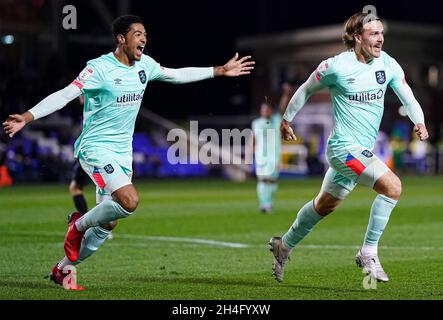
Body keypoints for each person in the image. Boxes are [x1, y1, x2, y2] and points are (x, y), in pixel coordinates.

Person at [3, 14, 254, 289]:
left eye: (145, 33)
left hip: (123, 153)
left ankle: (63, 269)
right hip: (95, 148)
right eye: (137, 33)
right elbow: (65, 94)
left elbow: (176, 74)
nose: (144, 38)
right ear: (121, 38)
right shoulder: (98, 68)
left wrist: (218, 70)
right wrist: (27, 117)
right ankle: (76, 226)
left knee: (107, 224)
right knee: (129, 201)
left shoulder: (144, 65)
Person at [268, 12, 428, 283]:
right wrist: (286, 120)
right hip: (343, 148)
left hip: (361, 151)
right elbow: (306, 89)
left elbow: (407, 95)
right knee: (393, 187)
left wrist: (419, 121)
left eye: (381, 33)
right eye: (374, 33)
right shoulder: (335, 67)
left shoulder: (387, 64)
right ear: (357, 38)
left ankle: (284, 245)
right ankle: (368, 252)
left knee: (324, 205)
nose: (380, 38)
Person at [251, 84, 294, 213]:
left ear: (270, 110)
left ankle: (268, 203)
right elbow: (253, 139)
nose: (265, 112)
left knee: (272, 180)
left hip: (274, 155)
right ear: (261, 111)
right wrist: (251, 153)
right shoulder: (256, 123)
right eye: (263, 110)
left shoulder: (276, 120)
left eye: (267, 110)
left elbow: (282, 108)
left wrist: (286, 94)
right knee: (262, 180)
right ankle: (263, 204)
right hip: (260, 156)